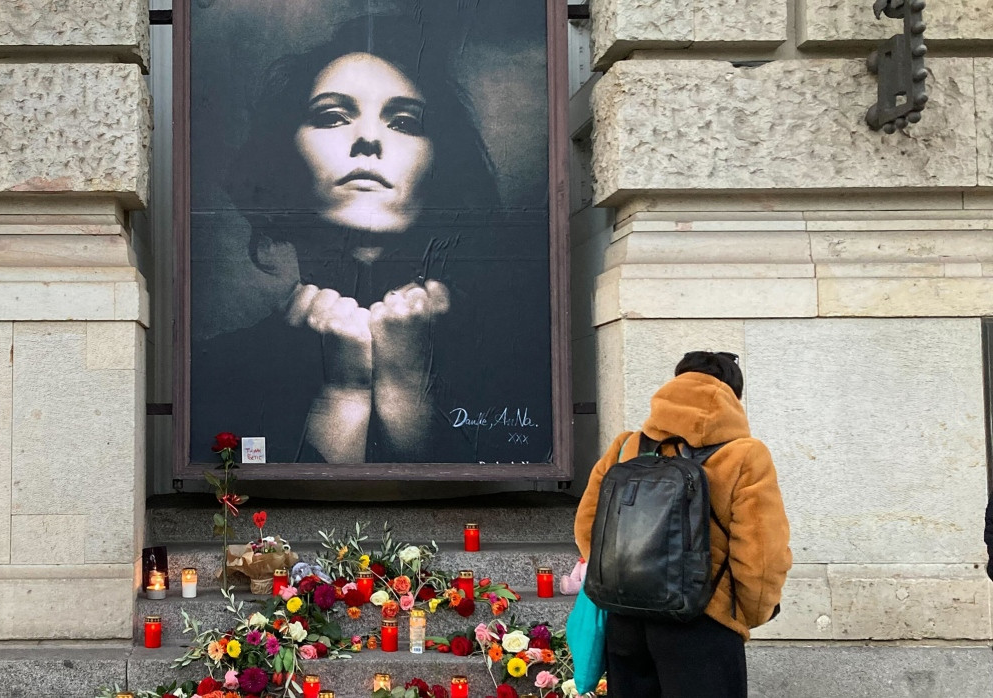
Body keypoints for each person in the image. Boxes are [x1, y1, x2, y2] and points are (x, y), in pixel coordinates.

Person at [191, 14, 552, 465]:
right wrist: (342, 397)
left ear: (441, 165)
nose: (367, 139)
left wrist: (405, 391)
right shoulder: (213, 371)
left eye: (402, 122)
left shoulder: (521, 361)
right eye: (332, 116)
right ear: (283, 159)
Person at [573, 351, 792, 698]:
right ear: (734, 396)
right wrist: (744, 613)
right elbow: (762, 555)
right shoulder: (745, 455)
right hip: (702, 623)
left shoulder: (627, 445)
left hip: (627, 620)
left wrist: (626, 578)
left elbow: (588, 526)